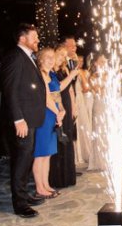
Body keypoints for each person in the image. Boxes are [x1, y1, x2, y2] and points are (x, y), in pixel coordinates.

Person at [0, 23, 47, 218]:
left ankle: (24, 194)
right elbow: (10, 90)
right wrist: (18, 119)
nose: (37, 40)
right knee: (21, 159)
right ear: (22, 38)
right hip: (23, 120)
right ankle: (19, 204)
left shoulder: (28, 57)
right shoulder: (14, 57)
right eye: (34, 37)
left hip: (31, 117)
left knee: (26, 158)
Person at [32, 48, 65, 198]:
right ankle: (39, 188)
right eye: (48, 57)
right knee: (40, 154)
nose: (51, 60)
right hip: (44, 116)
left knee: (48, 154)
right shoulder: (40, 74)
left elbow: (57, 95)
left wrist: (62, 110)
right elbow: (45, 98)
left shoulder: (51, 74)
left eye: (53, 57)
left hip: (54, 115)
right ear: (40, 59)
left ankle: (46, 185)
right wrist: (57, 112)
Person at [49, 46, 78, 189]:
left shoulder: (64, 70)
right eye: (60, 54)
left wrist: (74, 106)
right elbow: (58, 87)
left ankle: (68, 176)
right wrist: (72, 75)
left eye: (65, 56)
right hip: (56, 105)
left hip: (66, 104)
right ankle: (57, 178)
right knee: (58, 140)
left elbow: (70, 89)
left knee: (67, 139)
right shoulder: (49, 71)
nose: (63, 58)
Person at [73, 55, 94, 169]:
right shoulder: (74, 72)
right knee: (79, 126)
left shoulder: (83, 72)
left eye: (81, 60)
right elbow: (85, 87)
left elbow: (87, 87)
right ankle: (77, 154)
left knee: (84, 125)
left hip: (82, 99)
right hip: (77, 100)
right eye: (77, 60)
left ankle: (85, 152)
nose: (80, 62)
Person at [88, 54, 108, 172]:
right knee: (100, 130)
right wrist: (104, 79)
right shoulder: (93, 77)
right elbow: (98, 91)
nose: (104, 64)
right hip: (100, 106)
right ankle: (99, 161)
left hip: (109, 105)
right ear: (95, 63)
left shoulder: (110, 74)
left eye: (105, 61)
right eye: (101, 61)